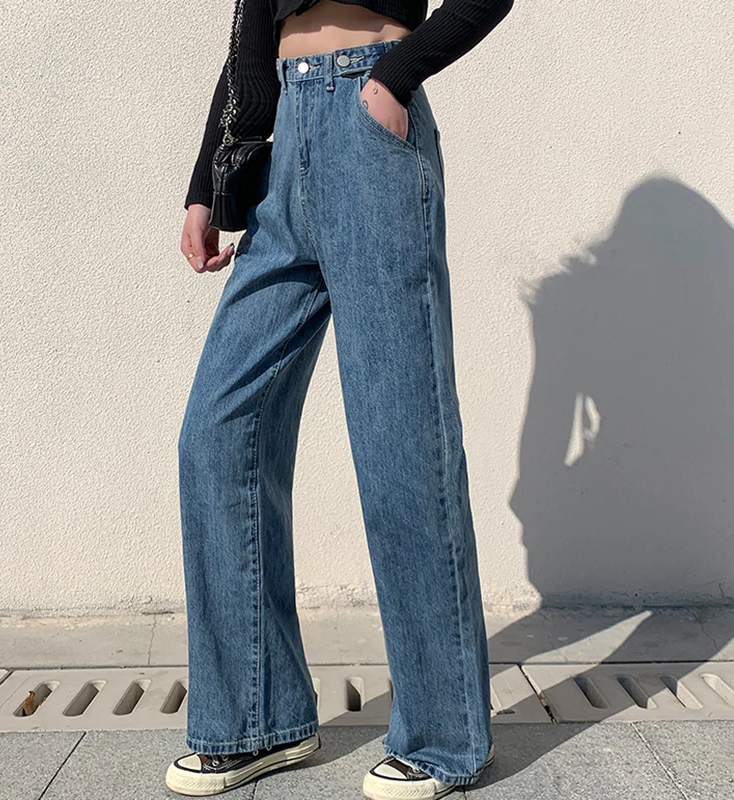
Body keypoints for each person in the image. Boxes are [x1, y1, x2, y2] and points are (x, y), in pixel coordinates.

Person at [168, 0, 514, 797]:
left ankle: (444, 737)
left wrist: (395, 77)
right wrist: (205, 187)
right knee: (217, 433)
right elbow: (251, 35)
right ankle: (257, 720)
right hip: (283, 148)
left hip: (368, 126)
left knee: (400, 440)